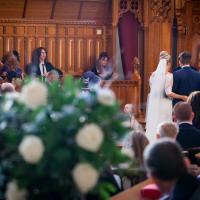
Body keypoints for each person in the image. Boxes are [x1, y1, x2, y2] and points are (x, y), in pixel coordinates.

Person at [145, 51, 187, 143]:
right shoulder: (169, 76)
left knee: (154, 124)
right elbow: (168, 93)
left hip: (154, 104)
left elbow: (153, 91)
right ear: (168, 63)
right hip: (165, 104)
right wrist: (182, 97)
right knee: (165, 125)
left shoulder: (152, 75)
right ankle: (165, 144)